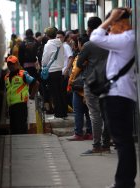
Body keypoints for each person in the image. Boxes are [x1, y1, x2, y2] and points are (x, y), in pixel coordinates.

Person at [90, 8, 136, 188]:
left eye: (112, 24)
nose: (109, 29)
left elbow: (95, 37)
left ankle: (124, 183)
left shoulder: (125, 39)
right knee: (124, 141)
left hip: (118, 95)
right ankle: (125, 181)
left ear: (119, 22)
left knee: (122, 142)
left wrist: (109, 19)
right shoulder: (128, 38)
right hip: (122, 94)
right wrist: (112, 19)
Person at [76, 17, 111, 155]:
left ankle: (97, 146)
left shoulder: (89, 45)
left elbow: (79, 64)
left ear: (90, 29)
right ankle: (106, 144)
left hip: (92, 83)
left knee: (95, 114)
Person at [66, 35, 92, 141]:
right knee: (89, 112)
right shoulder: (93, 56)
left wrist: (70, 82)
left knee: (78, 111)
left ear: (81, 44)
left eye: (78, 43)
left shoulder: (80, 56)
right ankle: (90, 133)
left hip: (79, 87)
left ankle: (78, 133)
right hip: (90, 86)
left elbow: (75, 71)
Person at [4, 55, 39, 134]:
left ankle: (22, 141)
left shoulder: (23, 74)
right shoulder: (6, 77)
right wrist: (7, 107)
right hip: (11, 106)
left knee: (21, 127)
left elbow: (36, 83)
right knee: (13, 127)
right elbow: (7, 92)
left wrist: (32, 96)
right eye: (9, 64)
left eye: (12, 64)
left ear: (17, 64)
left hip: (21, 105)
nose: (11, 66)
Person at [42, 27, 67, 119]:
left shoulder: (48, 45)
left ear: (47, 35)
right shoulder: (60, 43)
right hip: (59, 71)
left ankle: (58, 114)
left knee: (54, 94)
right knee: (60, 93)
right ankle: (63, 112)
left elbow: (45, 59)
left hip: (51, 71)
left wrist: (43, 66)